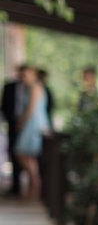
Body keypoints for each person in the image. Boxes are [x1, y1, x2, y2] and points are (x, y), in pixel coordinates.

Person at [14, 65, 51, 200]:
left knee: (23, 153)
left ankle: (35, 184)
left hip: (34, 124)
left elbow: (30, 109)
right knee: (29, 157)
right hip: (32, 123)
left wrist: (21, 123)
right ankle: (33, 185)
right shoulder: (30, 88)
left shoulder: (35, 87)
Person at [1, 64, 23, 196]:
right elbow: (4, 105)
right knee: (14, 153)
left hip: (27, 127)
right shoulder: (9, 86)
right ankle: (16, 186)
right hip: (13, 124)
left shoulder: (31, 88)